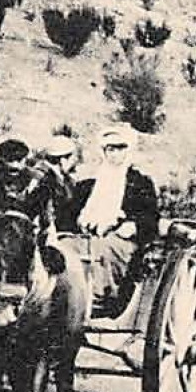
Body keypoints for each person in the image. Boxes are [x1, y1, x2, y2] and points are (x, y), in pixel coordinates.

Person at [70, 126, 160, 316]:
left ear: (128, 151)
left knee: (106, 247)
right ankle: (68, 293)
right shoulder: (89, 183)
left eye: (120, 148)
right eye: (110, 149)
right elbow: (69, 212)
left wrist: (133, 225)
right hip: (88, 235)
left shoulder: (140, 183)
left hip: (121, 238)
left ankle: (101, 297)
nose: (115, 154)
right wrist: (77, 220)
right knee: (65, 245)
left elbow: (151, 216)